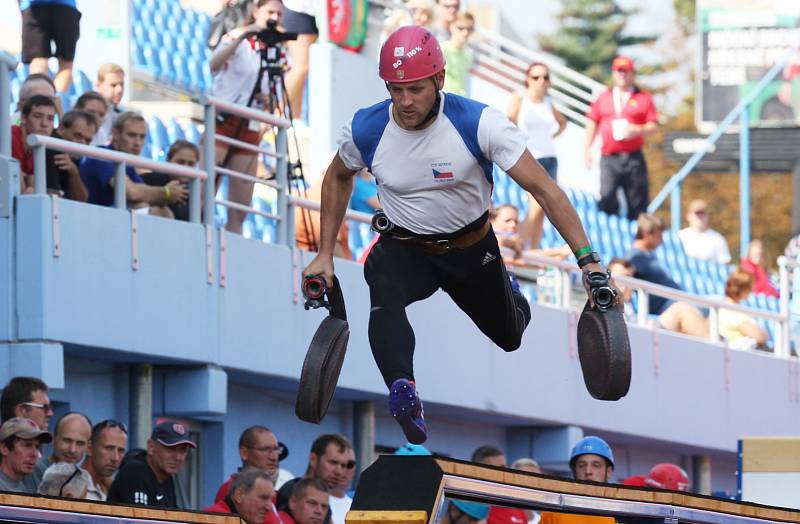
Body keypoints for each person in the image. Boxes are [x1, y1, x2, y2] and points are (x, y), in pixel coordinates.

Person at [301, 26, 616, 445]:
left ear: (440, 80)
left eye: (415, 89)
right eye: (395, 90)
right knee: (382, 287)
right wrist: (324, 252)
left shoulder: (480, 123)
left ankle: (506, 291)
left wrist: (588, 261)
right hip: (405, 246)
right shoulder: (366, 128)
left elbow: (544, 189)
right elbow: (337, 177)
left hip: (471, 250)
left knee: (510, 336)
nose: (405, 101)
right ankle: (403, 390)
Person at [209, 0, 285, 234]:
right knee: (205, 190)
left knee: (239, 208)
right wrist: (244, 37)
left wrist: (267, 100)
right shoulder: (235, 37)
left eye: (279, 14)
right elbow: (214, 65)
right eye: (270, 11)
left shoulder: (277, 50)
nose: (274, 18)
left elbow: (276, 97)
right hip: (223, 119)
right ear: (256, 11)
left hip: (250, 126)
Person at [584, 56, 658, 220]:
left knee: (637, 202)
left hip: (633, 156)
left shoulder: (643, 98)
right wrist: (587, 149)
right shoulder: (603, 97)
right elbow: (592, 122)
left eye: (626, 71)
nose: (622, 75)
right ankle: (611, 230)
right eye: (619, 71)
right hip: (609, 157)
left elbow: (653, 125)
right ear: (613, 74)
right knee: (607, 195)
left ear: (633, 74)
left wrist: (637, 130)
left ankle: (635, 238)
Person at [507, 61, 567, 249]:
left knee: (544, 207)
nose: (541, 81)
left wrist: (551, 136)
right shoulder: (520, 97)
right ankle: (521, 246)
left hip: (549, 157)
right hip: (530, 156)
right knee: (535, 205)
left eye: (545, 77)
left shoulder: (549, 103)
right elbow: (509, 121)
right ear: (528, 79)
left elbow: (563, 123)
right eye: (536, 77)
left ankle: (532, 249)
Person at [80, 112, 189, 212]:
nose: (138, 142)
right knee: (141, 207)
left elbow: (142, 193)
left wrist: (167, 195)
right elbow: (131, 192)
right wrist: (166, 192)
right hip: (89, 217)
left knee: (163, 210)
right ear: (116, 134)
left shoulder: (128, 165)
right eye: (132, 135)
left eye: (142, 137)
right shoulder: (102, 155)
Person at [609, 258, 708, 339]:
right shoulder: (609, 298)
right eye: (622, 278)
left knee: (707, 320)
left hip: (643, 331)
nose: (626, 284)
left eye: (630, 278)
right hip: (639, 336)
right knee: (682, 309)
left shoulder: (631, 302)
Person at [106, 421, 197, 508]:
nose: (178, 457)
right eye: (171, 449)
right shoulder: (135, 472)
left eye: (183, 450)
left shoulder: (167, 479)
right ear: (151, 447)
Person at [539, 437, 616, 524]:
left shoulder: (622, 512)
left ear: (608, 471)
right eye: (582, 465)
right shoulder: (555, 511)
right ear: (574, 470)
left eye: (596, 465)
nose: (588, 471)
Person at [277, 433, 353, 521]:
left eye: (343, 466)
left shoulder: (323, 501)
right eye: (333, 462)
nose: (339, 472)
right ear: (313, 459)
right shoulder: (290, 491)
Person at [214, 425, 292, 506]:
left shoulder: (277, 492)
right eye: (265, 449)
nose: (274, 457)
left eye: (276, 449)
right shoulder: (231, 490)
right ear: (244, 453)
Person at [19, 0, 81, 93]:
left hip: (33, 8)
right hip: (66, 7)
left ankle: (40, 99)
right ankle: (53, 101)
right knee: (65, 66)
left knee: (38, 62)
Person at [626, 214, 682, 316]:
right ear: (647, 234)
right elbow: (625, 277)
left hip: (675, 303)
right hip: (666, 309)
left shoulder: (647, 255)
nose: (662, 240)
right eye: (659, 235)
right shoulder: (636, 256)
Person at [26, 411, 92, 493]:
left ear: (88, 446)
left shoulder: (82, 479)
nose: (72, 450)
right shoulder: (32, 470)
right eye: (67, 440)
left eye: (80, 443)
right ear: (54, 439)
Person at [491, 203, 571, 265]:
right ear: (492, 221)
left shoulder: (517, 241)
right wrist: (559, 251)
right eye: (507, 221)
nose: (513, 225)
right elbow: (498, 241)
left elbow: (526, 256)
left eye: (516, 221)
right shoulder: (490, 237)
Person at [142, 140, 201, 222]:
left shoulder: (195, 193)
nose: (185, 167)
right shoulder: (151, 179)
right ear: (168, 160)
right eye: (181, 162)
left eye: (190, 164)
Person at [470, 446, 529, 524]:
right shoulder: (465, 508)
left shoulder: (515, 507)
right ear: (479, 471)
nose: (505, 472)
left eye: (505, 467)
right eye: (500, 468)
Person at [46, 110, 95, 201]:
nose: (83, 143)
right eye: (78, 136)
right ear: (61, 129)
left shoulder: (73, 157)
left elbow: (81, 200)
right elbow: (51, 197)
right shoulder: (51, 145)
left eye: (88, 140)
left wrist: (74, 172)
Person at [283, 0, 319, 121]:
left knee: (302, 70)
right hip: (300, 10)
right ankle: (274, 115)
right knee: (301, 67)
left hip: (319, 12)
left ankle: (294, 119)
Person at [11, 95, 56, 193]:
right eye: (37, 116)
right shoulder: (9, 136)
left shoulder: (37, 147)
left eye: (50, 119)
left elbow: (34, 190)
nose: (44, 124)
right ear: (23, 118)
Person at [719, 268, 770, 350]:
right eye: (750, 287)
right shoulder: (732, 311)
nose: (752, 289)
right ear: (742, 288)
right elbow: (759, 336)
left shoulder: (724, 307)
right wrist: (763, 335)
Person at [206, 468, 279, 524]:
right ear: (239, 495)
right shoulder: (216, 518)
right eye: (263, 498)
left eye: (271, 500)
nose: (269, 507)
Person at [0, 417, 52, 493]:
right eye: (27, 445)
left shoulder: (30, 487)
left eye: (37, 447)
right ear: (4, 448)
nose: (35, 454)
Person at [81, 419, 128, 501]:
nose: (115, 458)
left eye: (121, 451)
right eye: (109, 448)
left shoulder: (113, 490)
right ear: (89, 448)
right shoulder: (71, 488)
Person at [678, 199, 731, 264]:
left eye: (702, 213)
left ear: (708, 215)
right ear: (688, 216)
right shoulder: (679, 236)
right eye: (697, 213)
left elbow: (724, 264)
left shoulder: (718, 239)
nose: (700, 216)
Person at [441, 12, 475, 97]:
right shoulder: (441, 49)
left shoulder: (469, 55)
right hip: (444, 100)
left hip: (461, 101)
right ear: (451, 26)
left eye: (469, 29)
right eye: (461, 28)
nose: (465, 32)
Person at [91, 64, 126, 147]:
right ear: (98, 85)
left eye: (122, 84)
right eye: (113, 85)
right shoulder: (84, 109)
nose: (119, 90)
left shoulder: (120, 114)